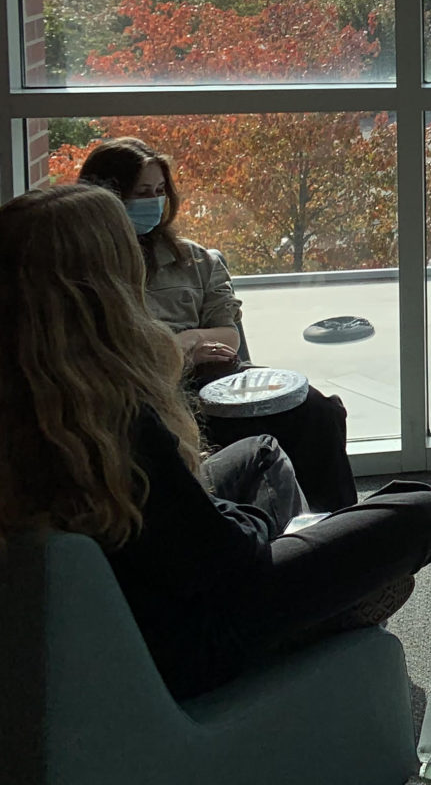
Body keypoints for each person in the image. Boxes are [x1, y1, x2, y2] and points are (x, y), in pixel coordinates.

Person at [0, 185, 431, 701]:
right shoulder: (107, 418)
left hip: (149, 598)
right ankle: (318, 610)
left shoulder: (34, 403)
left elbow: (171, 531)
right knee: (423, 510)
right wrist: (254, 521)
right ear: (103, 283)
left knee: (259, 451)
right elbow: (221, 560)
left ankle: (317, 567)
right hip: (198, 637)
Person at [76, 137, 358, 512]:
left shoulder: (195, 260)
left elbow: (227, 333)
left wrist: (190, 339)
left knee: (317, 410)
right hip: (143, 392)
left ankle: (336, 523)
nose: (154, 201)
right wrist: (178, 351)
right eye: (142, 192)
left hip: (212, 379)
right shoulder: (86, 269)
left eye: (160, 190)